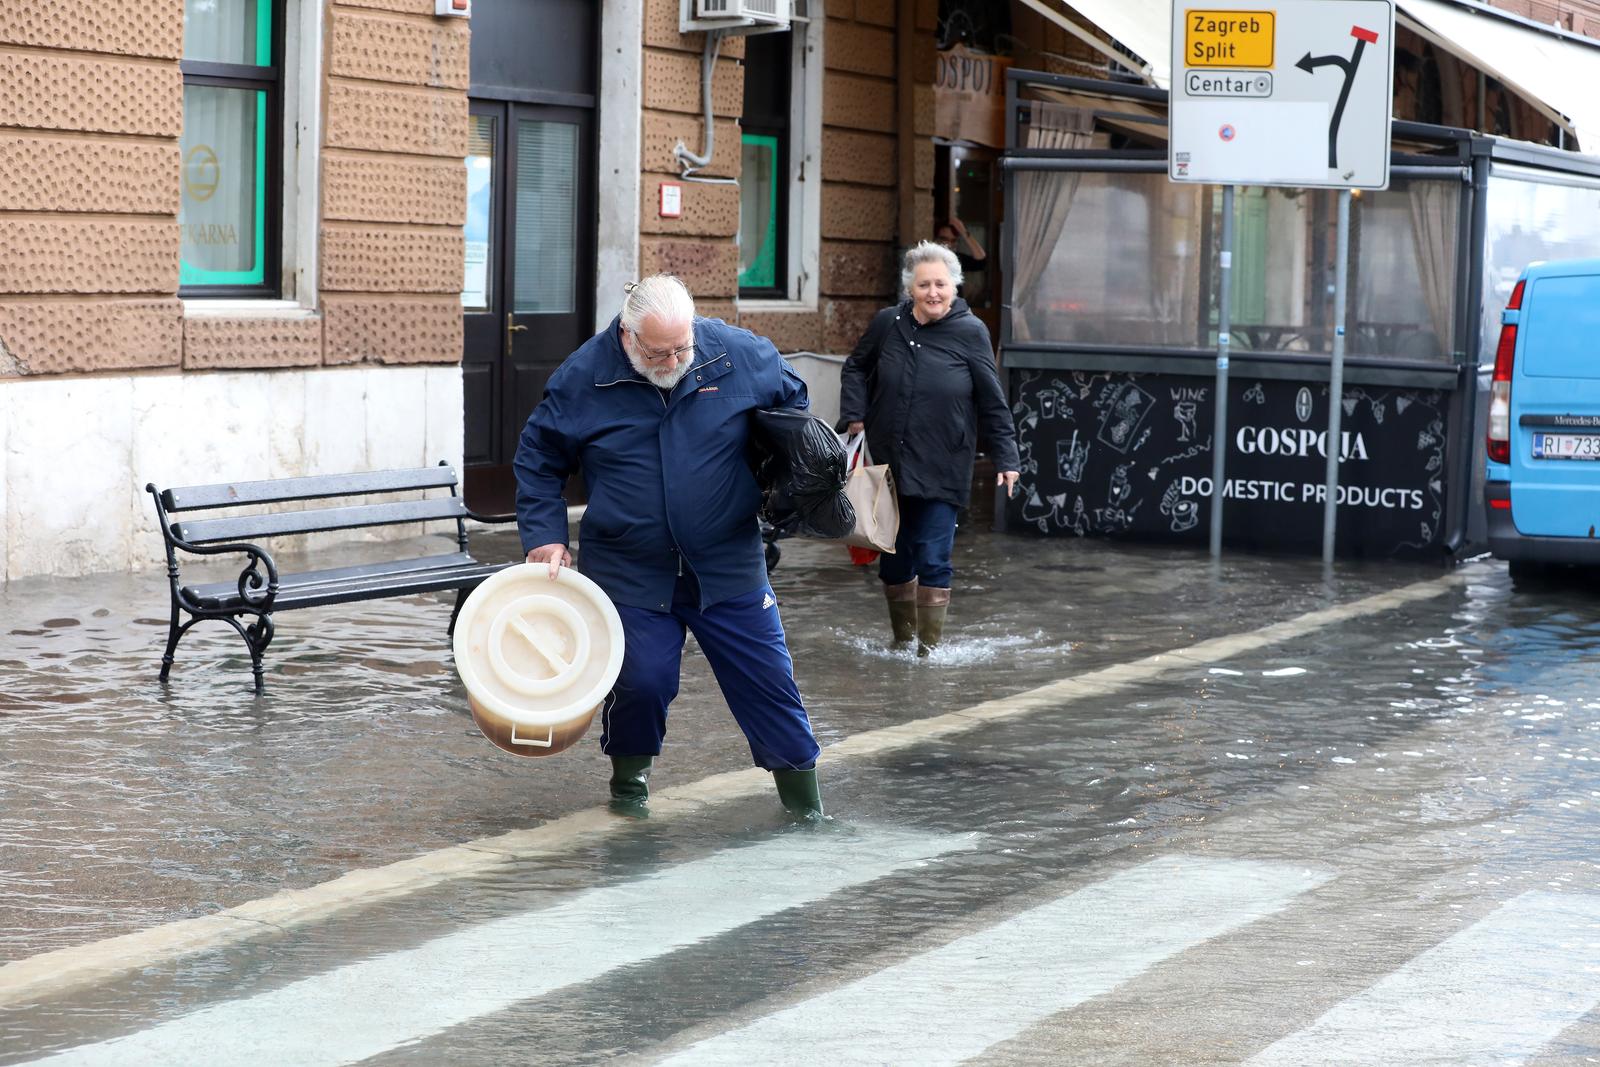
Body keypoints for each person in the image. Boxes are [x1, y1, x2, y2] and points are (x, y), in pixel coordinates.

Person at [513, 275, 824, 818]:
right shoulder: (584, 376)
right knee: (641, 682)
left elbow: (793, 407)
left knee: (769, 680)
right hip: (630, 568)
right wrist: (546, 538)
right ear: (628, 336)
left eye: (683, 347)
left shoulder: (737, 353)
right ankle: (629, 788)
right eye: (659, 351)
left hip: (727, 560)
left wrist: (782, 471)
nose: (675, 358)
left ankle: (805, 807)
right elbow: (539, 460)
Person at [840, 241, 1020, 655]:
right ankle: (903, 644)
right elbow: (856, 366)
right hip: (889, 465)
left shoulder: (971, 332)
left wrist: (1006, 457)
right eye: (924, 285)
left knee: (933, 555)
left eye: (941, 284)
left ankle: (930, 651)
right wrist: (855, 413)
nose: (933, 293)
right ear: (910, 288)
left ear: (955, 286)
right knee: (895, 559)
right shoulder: (888, 324)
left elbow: (992, 400)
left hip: (944, 463)